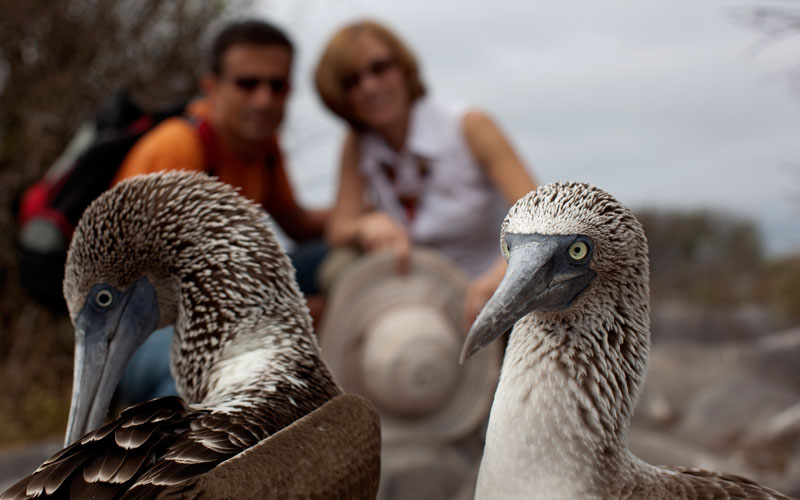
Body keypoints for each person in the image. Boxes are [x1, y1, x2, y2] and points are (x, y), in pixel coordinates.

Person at [111, 19, 328, 405]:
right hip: (135, 331)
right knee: (204, 365)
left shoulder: (262, 147)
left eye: (277, 86)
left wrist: (367, 216)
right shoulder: (177, 149)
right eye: (248, 84)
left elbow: (299, 223)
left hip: (224, 303)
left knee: (331, 256)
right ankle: (172, 458)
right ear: (211, 86)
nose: (264, 99)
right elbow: (172, 290)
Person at [314, 19, 537, 327]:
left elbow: (540, 223)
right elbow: (339, 228)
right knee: (338, 265)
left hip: (493, 290)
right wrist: (367, 224)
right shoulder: (358, 144)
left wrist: (502, 279)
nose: (369, 86)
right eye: (352, 81)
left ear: (404, 68)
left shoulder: (469, 126)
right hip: (418, 299)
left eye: (379, 68)